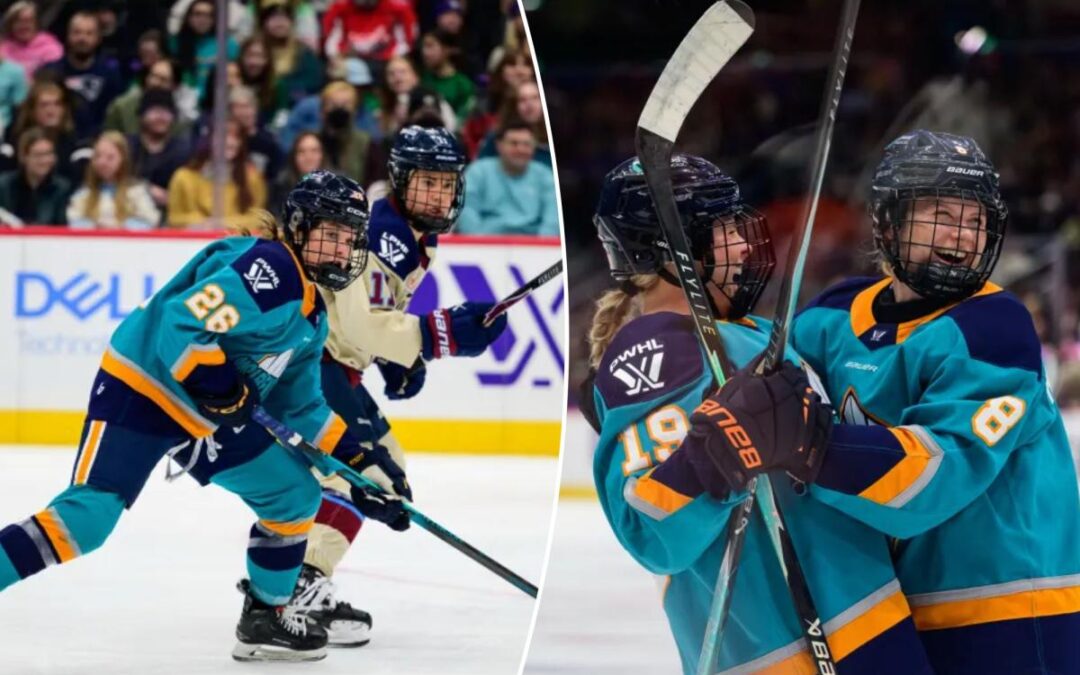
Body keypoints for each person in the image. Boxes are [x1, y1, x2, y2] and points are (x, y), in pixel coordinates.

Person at [0, 169, 414, 661]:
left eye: (350, 239)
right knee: (86, 522)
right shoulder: (272, 269)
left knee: (293, 494)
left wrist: (361, 466)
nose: (342, 250)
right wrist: (220, 386)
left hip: (204, 415)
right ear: (299, 227)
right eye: (331, 234)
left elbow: (302, 408)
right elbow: (182, 323)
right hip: (147, 389)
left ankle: (266, 616)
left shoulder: (312, 315)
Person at [585, 154, 934, 674]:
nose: (744, 245)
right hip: (779, 647)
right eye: (723, 232)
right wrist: (718, 450)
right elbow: (652, 529)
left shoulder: (743, 330)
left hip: (861, 612)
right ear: (670, 251)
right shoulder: (657, 347)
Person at [788, 130, 1080, 674]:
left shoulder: (994, 328)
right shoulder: (830, 315)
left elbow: (933, 481)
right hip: (894, 612)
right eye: (942, 215)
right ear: (889, 223)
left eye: (975, 220)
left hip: (1011, 613)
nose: (963, 235)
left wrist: (805, 446)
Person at [282, 126, 509, 644]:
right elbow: (359, 326)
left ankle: (301, 578)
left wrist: (392, 358)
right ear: (402, 181)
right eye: (427, 183)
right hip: (313, 363)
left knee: (384, 466)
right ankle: (297, 586)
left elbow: (364, 313)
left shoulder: (411, 236)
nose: (439, 195)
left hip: (335, 363)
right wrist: (437, 335)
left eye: (447, 184)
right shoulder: (383, 234)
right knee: (359, 473)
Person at [456, 121, 558, 236]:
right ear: (499, 145)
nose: (520, 149)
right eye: (514, 143)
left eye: (526, 144)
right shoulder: (478, 171)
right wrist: (477, 246)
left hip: (533, 246)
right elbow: (466, 212)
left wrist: (542, 248)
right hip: (485, 244)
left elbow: (553, 221)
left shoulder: (545, 176)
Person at [38, 11, 124, 142]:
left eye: (89, 33)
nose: (82, 39)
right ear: (68, 35)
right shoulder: (50, 72)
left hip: (96, 142)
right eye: (77, 32)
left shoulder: (110, 74)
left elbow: (113, 116)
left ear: (98, 38)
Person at [166, 120, 267, 231]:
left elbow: (259, 219)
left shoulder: (253, 178)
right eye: (222, 136)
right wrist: (202, 223)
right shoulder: (183, 177)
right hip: (193, 242)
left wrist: (222, 224)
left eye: (236, 137)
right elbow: (174, 218)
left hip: (236, 243)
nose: (229, 142)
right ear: (208, 141)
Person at [66, 131, 159, 229]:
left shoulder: (136, 192)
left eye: (110, 158)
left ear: (123, 160)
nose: (102, 162)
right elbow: (74, 220)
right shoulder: (84, 194)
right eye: (98, 156)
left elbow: (150, 221)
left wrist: (122, 228)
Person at [127, 88, 191, 214]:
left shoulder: (184, 150)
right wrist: (145, 189)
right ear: (142, 115)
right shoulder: (127, 146)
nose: (161, 117)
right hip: (130, 211)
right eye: (155, 111)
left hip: (172, 215)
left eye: (166, 112)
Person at [0, 127, 71, 225]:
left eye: (49, 154)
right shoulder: (5, 185)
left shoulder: (62, 188)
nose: (44, 160)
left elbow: (62, 226)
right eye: (38, 155)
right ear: (24, 157)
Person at [172, 0, 239, 100]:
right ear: (188, 17)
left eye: (208, 15)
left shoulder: (228, 44)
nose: (202, 19)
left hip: (217, 103)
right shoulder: (175, 43)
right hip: (182, 100)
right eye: (197, 14)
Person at [321, 0, 418, 65]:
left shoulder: (399, 9)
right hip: (349, 62)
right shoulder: (339, 8)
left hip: (386, 62)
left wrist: (391, 60)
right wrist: (339, 57)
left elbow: (406, 42)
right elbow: (332, 44)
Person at [476, 79, 548, 167]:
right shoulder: (496, 136)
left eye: (535, 98)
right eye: (522, 100)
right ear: (513, 106)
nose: (530, 105)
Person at [318, 81, 378, 186]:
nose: (339, 109)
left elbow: (375, 185)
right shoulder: (311, 142)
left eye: (345, 104)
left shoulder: (366, 144)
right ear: (322, 110)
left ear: (355, 110)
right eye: (333, 104)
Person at [418, 29, 474, 122]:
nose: (425, 52)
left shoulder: (462, 84)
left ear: (446, 50)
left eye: (430, 46)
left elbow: (464, 117)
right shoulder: (422, 79)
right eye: (423, 47)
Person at [0, 2, 63, 81]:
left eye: (28, 21)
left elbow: (51, 80)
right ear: (11, 25)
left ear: (36, 23)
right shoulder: (3, 47)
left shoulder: (51, 47)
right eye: (18, 21)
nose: (23, 26)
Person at [269, 131, 325, 214]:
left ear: (322, 155)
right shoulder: (281, 185)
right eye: (302, 151)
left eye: (314, 151)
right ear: (294, 157)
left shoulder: (338, 185)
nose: (308, 157)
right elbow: (276, 219)